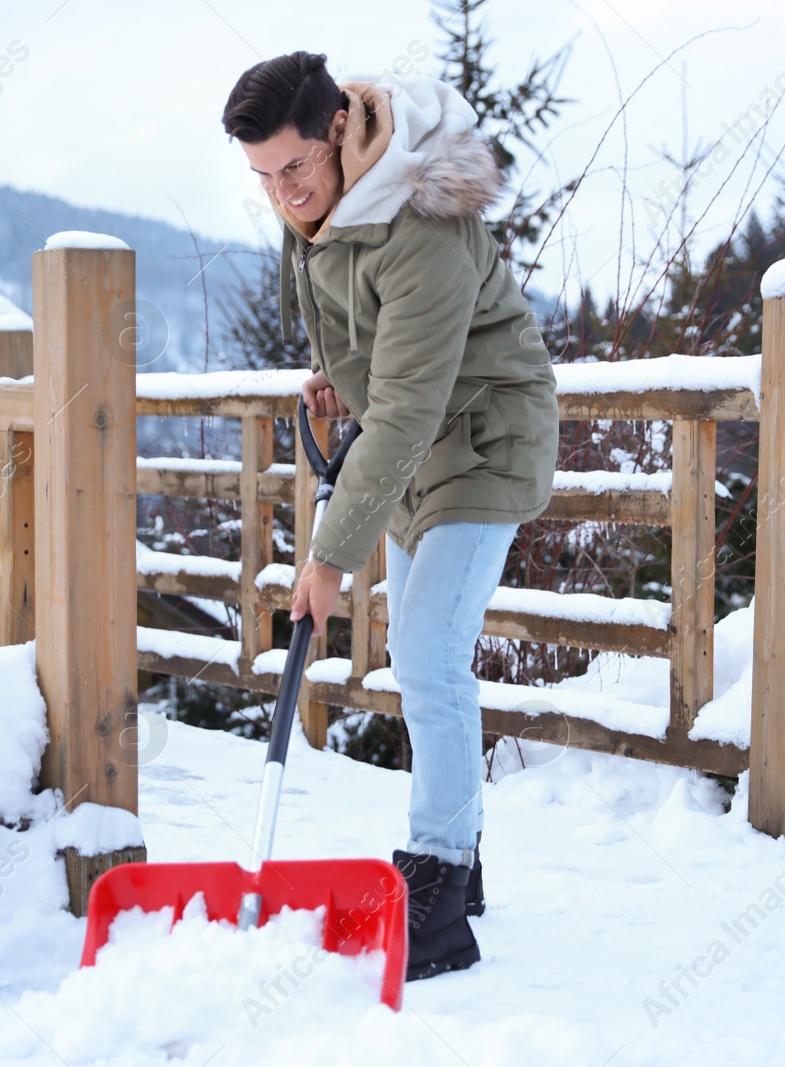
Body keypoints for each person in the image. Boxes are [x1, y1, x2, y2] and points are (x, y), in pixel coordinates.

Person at [220, 51, 558, 981]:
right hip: (414, 449)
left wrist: (325, 560)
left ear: (338, 127)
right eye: (262, 177)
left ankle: (441, 886)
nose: (283, 193)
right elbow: (384, 359)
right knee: (421, 661)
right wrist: (345, 383)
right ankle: (466, 852)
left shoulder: (419, 224)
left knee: (428, 654)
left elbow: (410, 406)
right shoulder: (322, 207)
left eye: (293, 167)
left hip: (483, 439)